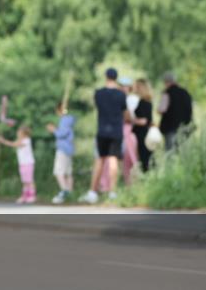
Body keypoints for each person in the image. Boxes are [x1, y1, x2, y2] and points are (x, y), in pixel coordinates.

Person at [81, 68, 131, 204]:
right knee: (113, 160)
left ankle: (92, 192)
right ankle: (112, 192)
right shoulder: (121, 95)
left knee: (99, 160)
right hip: (116, 131)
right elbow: (126, 114)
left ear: (106, 77)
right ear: (116, 78)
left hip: (102, 130)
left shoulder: (98, 93)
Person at [46, 102, 75, 204]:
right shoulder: (70, 119)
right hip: (69, 148)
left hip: (63, 149)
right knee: (68, 172)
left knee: (58, 172)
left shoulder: (64, 120)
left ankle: (64, 192)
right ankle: (70, 193)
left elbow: (62, 134)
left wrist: (53, 130)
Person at [0, 125, 35, 204]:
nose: (17, 133)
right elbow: (15, 143)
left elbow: (15, 144)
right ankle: (25, 196)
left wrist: (3, 141)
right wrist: (3, 141)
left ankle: (32, 196)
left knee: (29, 180)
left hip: (28, 163)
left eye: (19, 132)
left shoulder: (27, 140)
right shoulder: (20, 140)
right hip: (22, 163)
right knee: (24, 181)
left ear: (24, 133)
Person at [158, 71, 193, 151]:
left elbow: (161, 110)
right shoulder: (185, 92)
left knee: (170, 153)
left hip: (170, 128)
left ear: (166, 82)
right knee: (183, 152)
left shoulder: (167, 93)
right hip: (185, 127)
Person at [132, 78, 155, 172]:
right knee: (148, 157)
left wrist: (131, 120)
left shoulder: (143, 102)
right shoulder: (148, 102)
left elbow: (144, 121)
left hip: (142, 134)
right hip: (145, 132)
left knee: (144, 158)